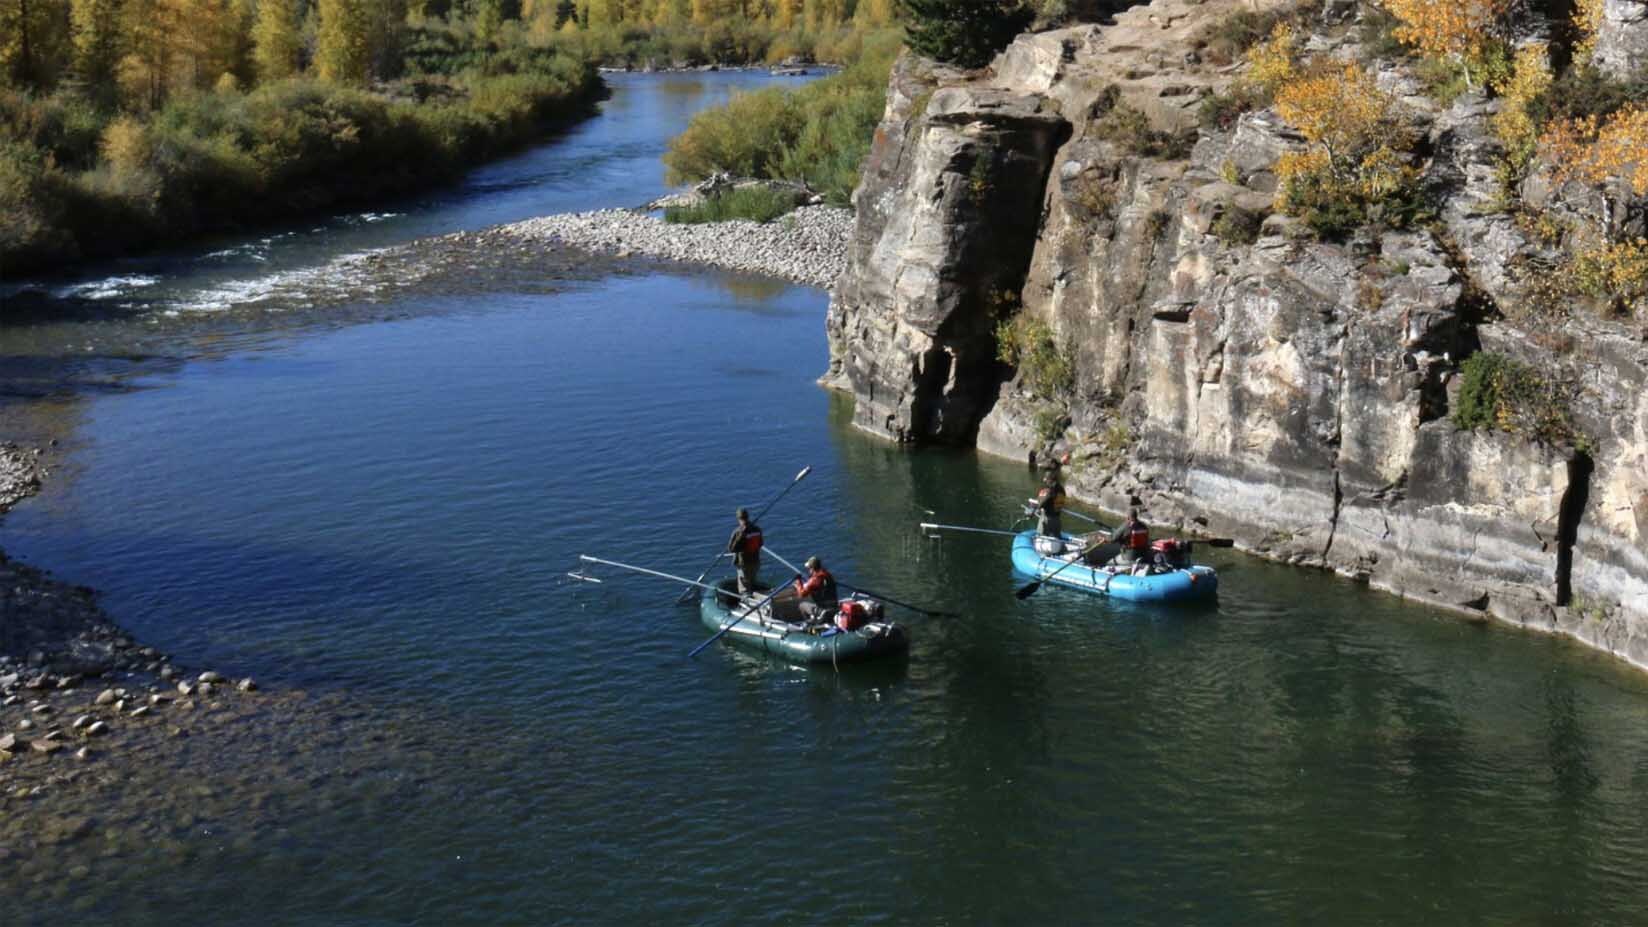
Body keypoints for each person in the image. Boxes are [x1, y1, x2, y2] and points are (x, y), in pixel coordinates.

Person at [1031, 464, 1067, 556]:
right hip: (1057, 519)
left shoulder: (1049, 490)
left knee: (1040, 537)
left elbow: (1041, 503)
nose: (1044, 480)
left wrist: (1034, 510)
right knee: (1057, 538)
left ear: (1051, 479)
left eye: (1046, 479)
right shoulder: (1062, 489)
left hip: (1047, 519)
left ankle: (1041, 557)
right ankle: (1061, 553)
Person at [726, 507, 763, 594]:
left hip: (744, 564)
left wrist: (740, 536)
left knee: (744, 589)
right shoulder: (757, 529)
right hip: (756, 561)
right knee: (753, 583)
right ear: (748, 516)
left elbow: (731, 549)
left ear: (738, 518)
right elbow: (761, 544)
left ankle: (747, 604)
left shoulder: (738, 531)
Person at [793, 556, 837, 622]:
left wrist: (798, 583)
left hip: (823, 609)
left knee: (802, 605)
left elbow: (801, 594)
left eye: (809, 568)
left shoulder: (814, 580)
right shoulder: (828, 575)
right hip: (834, 606)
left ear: (812, 568)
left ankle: (809, 624)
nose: (808, 570)